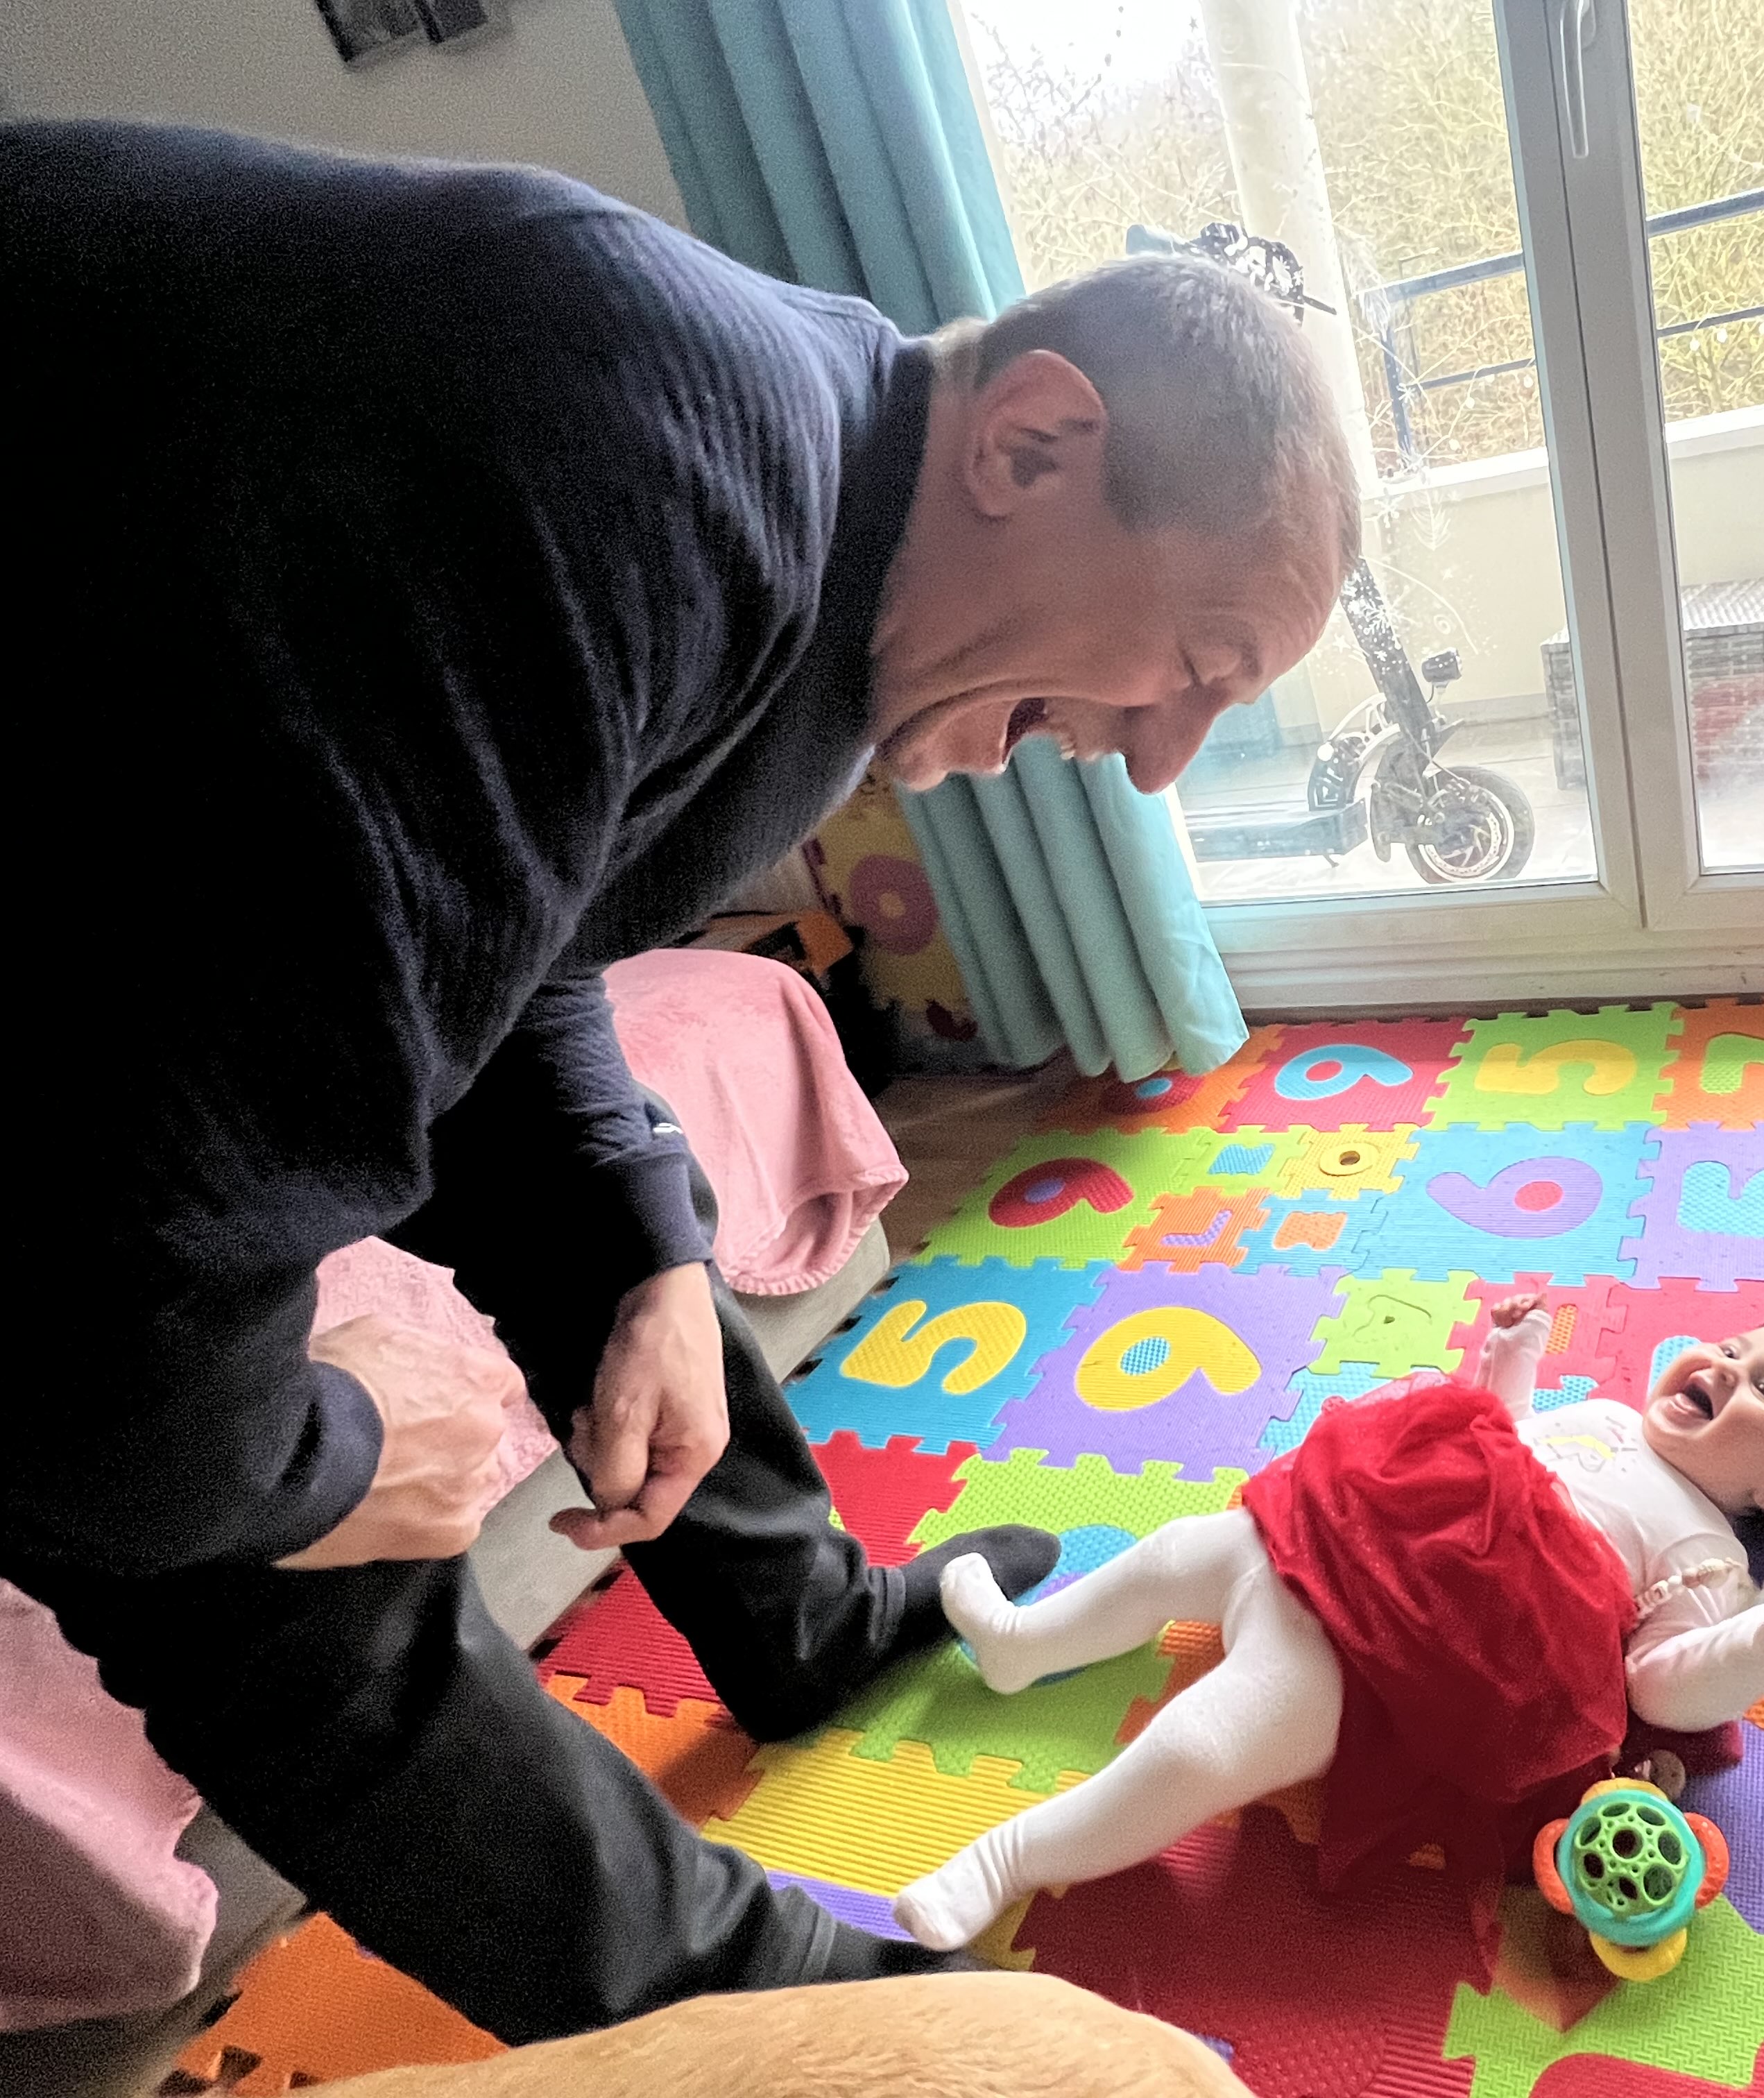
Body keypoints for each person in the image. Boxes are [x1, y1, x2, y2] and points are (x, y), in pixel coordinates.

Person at [2, 119, 1358, 2042]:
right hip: (79, 1092)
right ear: (1032, 443)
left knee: (613, 1224)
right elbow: (112, 1346)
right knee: (270, 1551)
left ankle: (797, 1628)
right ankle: (791, 2025)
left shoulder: (830, 558)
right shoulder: (631, 463)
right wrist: (342, 1450)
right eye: (1198, 665)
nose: (1157, 762)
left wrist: (644, 1250)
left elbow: (508, 925)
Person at [893, 1292, 1764, 1951]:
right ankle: (1025, 1645)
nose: (1724, 1367)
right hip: (1329, 1531)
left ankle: (1006, 1860)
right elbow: (1491, 1434)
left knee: (1199, 1749)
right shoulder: (1607, 1418)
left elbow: (1662, 1688)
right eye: (1732, 1349)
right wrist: (1512, 1356)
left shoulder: (1707, 1554)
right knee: (1170, 1556)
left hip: (1390, 1657)